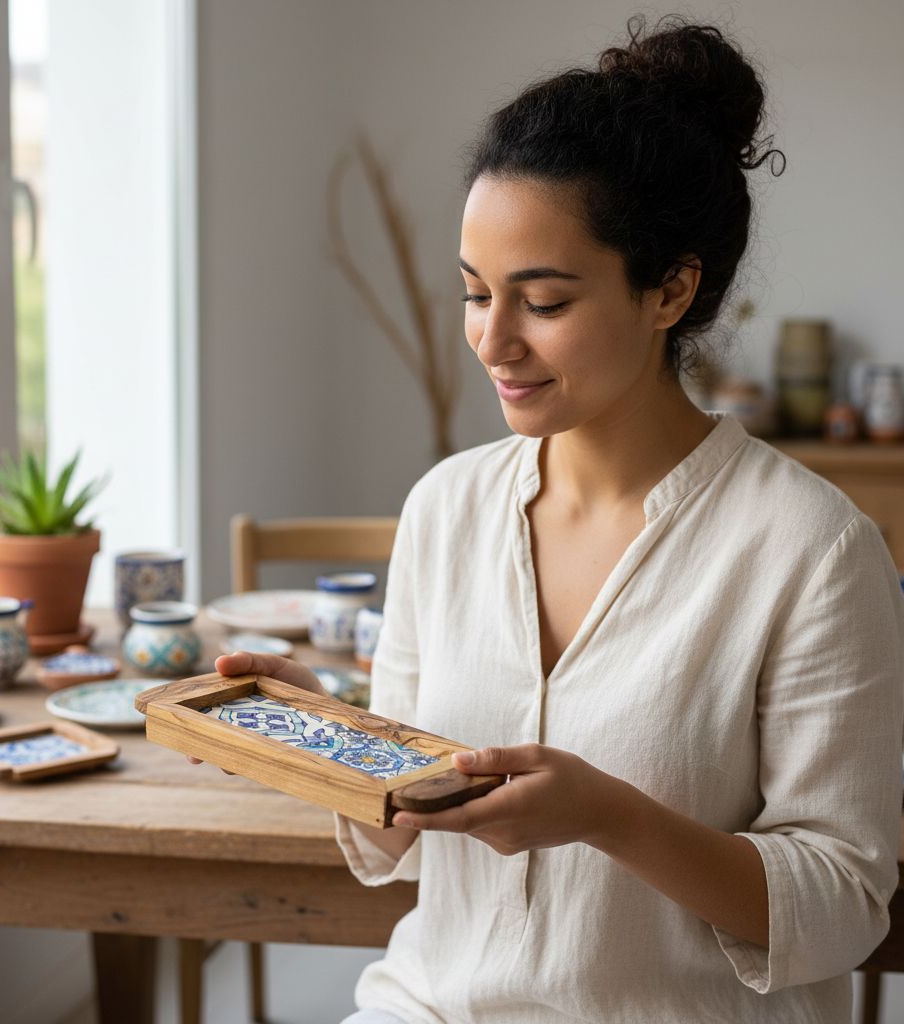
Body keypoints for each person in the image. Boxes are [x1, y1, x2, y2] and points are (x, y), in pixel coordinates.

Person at [205, 15, 904, 1023]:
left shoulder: (812, 547)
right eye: (474, 292)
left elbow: (841, 906)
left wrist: (606, 815)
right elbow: (401, 834)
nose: (493, 340)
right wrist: (330, 730)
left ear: (671, 287)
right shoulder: (445, 506)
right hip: (431, 1005)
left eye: (541, 300)